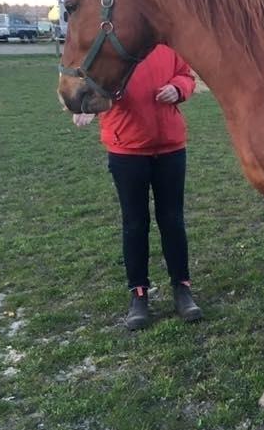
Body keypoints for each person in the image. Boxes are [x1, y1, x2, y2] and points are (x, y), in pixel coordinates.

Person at [72, 45, 201, 330]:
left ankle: (182, 288)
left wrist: (177, 88)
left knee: (173, 221)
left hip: (170, 146)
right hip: (126, 149)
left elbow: (187, 76)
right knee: (134, 224)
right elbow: (90, 84)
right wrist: (88, 106)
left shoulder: (168, 47)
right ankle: (139, 295)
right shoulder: (112, 50)